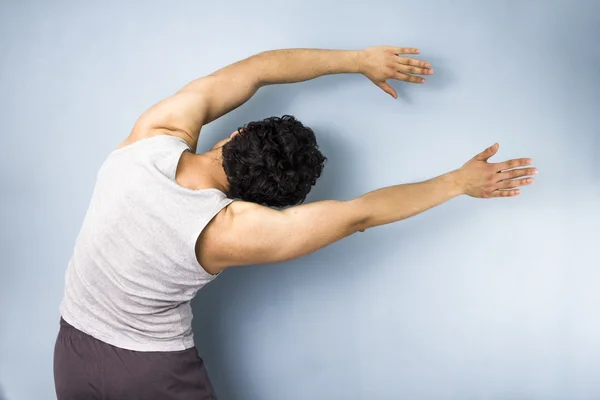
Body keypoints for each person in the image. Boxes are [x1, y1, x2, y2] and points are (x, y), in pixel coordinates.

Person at [54, 46, 537, 399]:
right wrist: (457, 181)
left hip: (71, 348)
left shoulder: (152, 136)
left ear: (239, 131)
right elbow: (359, 215)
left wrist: (360, 60)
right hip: (151, 373)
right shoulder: (233, 229)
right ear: (268, 201)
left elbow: (258, 71)